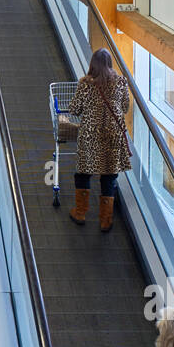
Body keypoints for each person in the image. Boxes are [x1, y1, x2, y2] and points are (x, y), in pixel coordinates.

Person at [69, 47, 131, 232]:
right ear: (109, 63)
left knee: (83, 174)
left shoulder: (86, 84)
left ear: (93, 64)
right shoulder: (121, 82)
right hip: (113, 136)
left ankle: (80, 213)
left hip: (91, 136)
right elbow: (125, 107)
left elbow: (74, 109)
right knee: (109, 177)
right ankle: (105, 220)